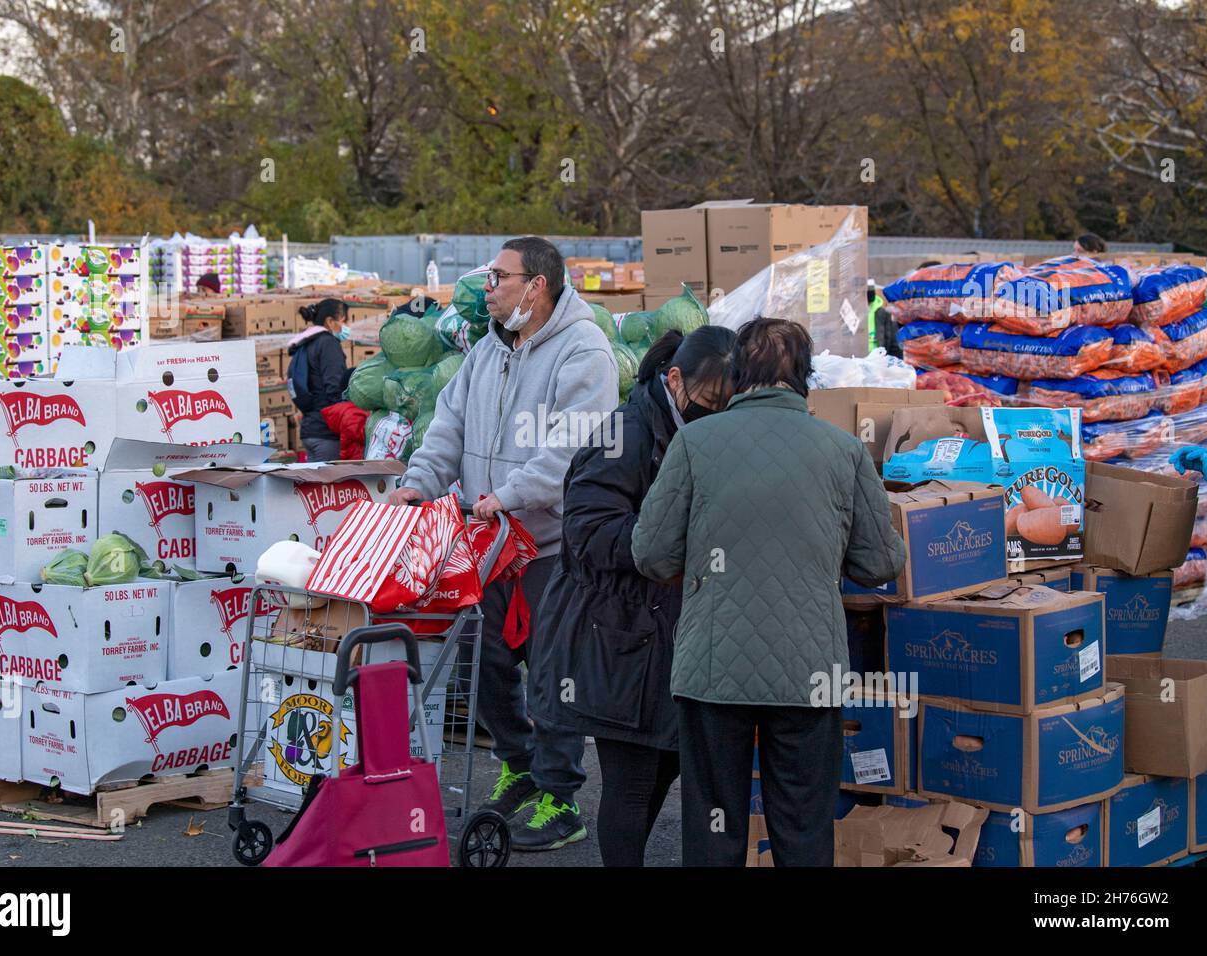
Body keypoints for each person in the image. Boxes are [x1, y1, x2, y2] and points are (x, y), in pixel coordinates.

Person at [631, 317, 908, 867]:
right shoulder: (844, 450)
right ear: (805, 378)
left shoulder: (694, 443)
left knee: (715, 826)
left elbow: (651, 554)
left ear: (737, 376)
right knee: (803, 826)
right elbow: (881, 561)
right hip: (810, 672)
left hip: (714, 671)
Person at [387, 236, 619, 851]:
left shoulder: (583, 350)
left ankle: (560, 798)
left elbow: (573, 447)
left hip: (548, 544)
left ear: (536, 286)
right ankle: (519, 767)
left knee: (550, 671)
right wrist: (417, 485)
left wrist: (511, 493)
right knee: (483, 662)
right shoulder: (487, 351)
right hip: (486, 541)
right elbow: (447, 425)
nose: (487, 288)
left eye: (498, 277)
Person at [529, 325, 737, 867]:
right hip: (612, 634)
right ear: (674, 380)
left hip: (660, 634)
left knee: (663, 766)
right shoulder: (626, 432)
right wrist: (666, 546)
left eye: (726, 405)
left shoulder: (685, 427)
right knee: (633, 778)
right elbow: (587, 530)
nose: (715, 414)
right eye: (709, 402)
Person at [287, 298, 351, 462]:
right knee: (327, 485)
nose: (346, 327)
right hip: (326, 432)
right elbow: (334, 388)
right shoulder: (328, 344)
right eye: (343, 321)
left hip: (310, 429)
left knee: (315, 486)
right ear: (330, 321)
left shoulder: (305, 343)